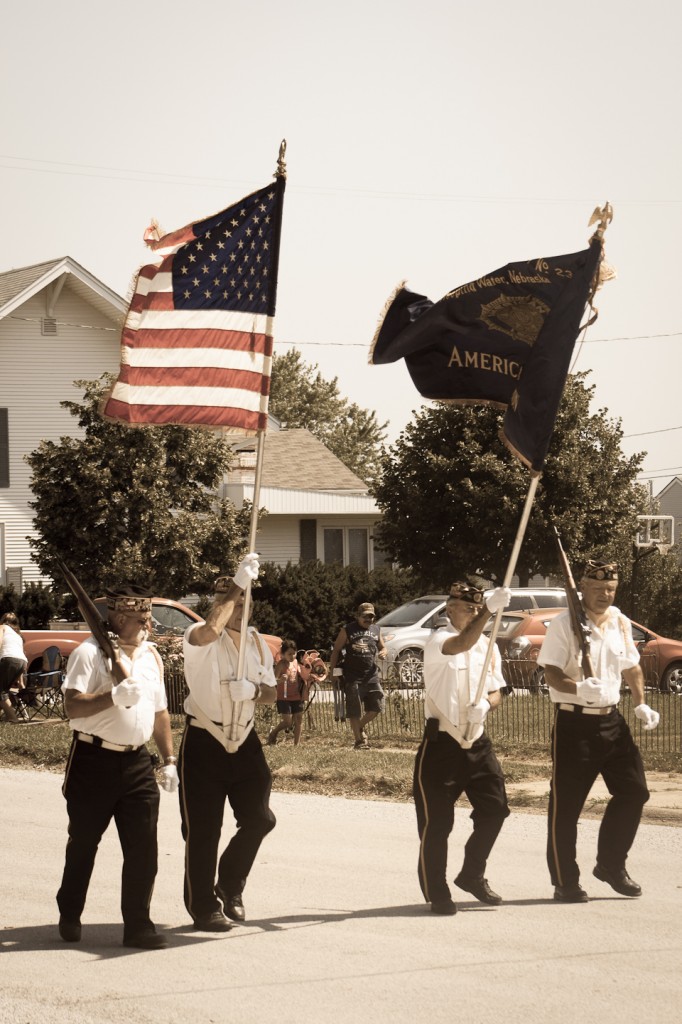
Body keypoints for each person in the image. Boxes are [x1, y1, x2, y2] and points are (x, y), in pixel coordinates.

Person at [56, 585, 177, 949]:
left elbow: (160, 713)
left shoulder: (151, 656)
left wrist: (169, 759)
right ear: (119, 617)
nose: (149, 623)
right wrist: (112, 696)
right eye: (142, 618)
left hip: (138, 761)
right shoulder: (89, 654)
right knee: (84, 843)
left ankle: (138, 925)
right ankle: (70, 911)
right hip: (93, 759)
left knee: (144, 848)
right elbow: (72, 707)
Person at [538, 559, 659, 903]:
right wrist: (578, 688)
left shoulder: (619, 620)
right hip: (575, 723)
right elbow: (550, 672)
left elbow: (632, 665)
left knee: (635, 792)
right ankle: (565, 881)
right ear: (583, 587)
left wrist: (640, 703)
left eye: (610, 589)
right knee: (567, 807)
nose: (605, 594)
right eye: (598, 588)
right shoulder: (565, 624)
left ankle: (610, 865)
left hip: (612, 720)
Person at [178, 553, 277, 932]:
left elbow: (270, 692)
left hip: (245, 739)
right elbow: (211, 630)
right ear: (218, 605)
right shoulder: (197, 637)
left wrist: (252, 690)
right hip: (205, 739)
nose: (236, 610)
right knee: (203, 829)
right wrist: (236, 585)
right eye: (230, 603)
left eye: (242, 603)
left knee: (260, 818)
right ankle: (202, 906)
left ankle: (230, 885)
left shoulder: (257, 643)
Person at [413, 581, 511, 915]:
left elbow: (498, 690)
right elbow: (461, 643)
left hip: (477, 742)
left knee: (496, 809)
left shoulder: (488, 646)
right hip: (443, 744)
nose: (471, 614)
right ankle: (437, 890)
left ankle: (472, 873)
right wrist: (488, 611)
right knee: (437, 824)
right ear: (449, 608)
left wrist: (487, 703)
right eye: (466, 608)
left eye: (476, 608)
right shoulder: (438, 640)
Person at [329, 602, 387, 749]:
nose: (369, 620)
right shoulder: (347, 630)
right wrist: (333, 672)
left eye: (371, 617)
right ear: (358, 616)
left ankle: (359, 727)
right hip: (352, 677)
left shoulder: (376, 629)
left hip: (372, 675)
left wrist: (383, 652)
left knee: (377, 707)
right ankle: (359, 741)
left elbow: (383, 646)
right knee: (354, 710)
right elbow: (336, 650)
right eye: (365, 617)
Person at [268, 640, 305, 746]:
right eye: (289, 654)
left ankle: (296, 745)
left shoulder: (296, 662)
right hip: (283, 697)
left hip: (296, 696)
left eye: (294, 653)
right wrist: (280, 679)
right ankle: (274, 732)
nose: (292, 656)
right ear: (282, 654)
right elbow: (272, 681)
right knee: (287, 722)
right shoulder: (280, 664)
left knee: (299, 719)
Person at [0, 612, 27, 723]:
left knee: (0, 691)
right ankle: (6, 715)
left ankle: (12, 717)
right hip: (21, 662)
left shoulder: (2, 627)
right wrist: (20, 681)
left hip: (8, 659)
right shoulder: (18, 636)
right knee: (4, 690)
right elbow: (19, 655)